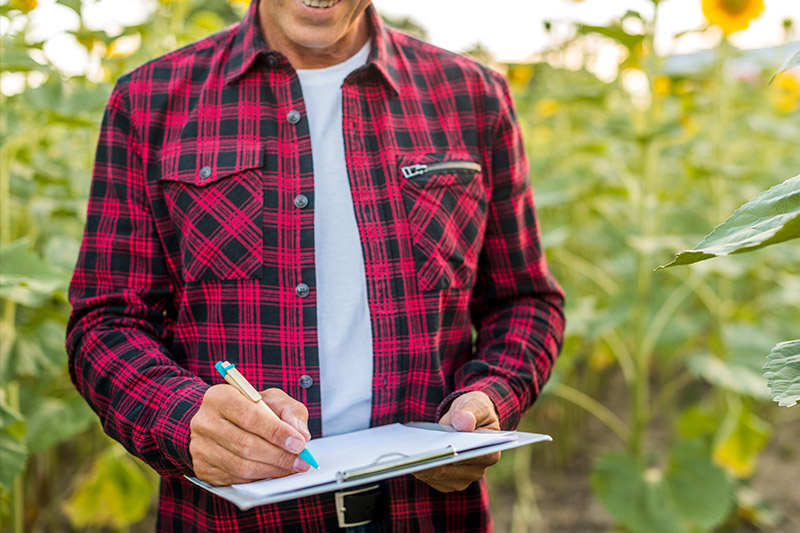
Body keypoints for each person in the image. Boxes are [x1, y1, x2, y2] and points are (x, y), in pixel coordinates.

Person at [66, 0, 565, 530]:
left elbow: (524, 300)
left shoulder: (473, 96)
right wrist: (184, 417)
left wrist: (490, 396)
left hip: (428, 513)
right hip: (239, 522)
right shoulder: (149, 100)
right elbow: (106, 322)